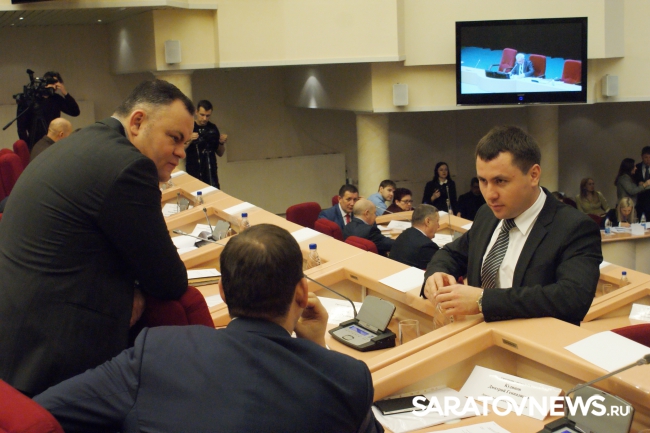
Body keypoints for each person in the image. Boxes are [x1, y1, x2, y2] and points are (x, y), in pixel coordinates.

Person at [34, 224, 383, 433]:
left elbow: (37, 416)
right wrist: (318, 349)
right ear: (302, 294)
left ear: (222, 292)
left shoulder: (155, 351)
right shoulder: (347, 378)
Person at [0, 80, 193, 397]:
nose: (181, 152)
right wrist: (133, 289)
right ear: (137, 122)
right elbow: (169, 281)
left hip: (15, 340)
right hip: (52, 366)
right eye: (175, 138)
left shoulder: (80, 141)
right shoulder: (129, 167)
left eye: (186, 142)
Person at [421, 125, 602, 326]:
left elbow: (573, 298)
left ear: (533, 175)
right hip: (479, 338)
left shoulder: (575, 227)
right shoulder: (486, 214)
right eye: (483, 181)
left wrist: (483, 301)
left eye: (500, 181)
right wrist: (435, 274)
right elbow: (452, 253)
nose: (490, 194)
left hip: (536, 341)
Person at [16, 71, 80, 151]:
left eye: (56, 83)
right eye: (52, 82)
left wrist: (65, 93)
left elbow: (75, 112)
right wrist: (26, 149)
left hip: (53, 142)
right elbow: (21, 128)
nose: (54, 86)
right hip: (34, 143)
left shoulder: (56, 98)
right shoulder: (30, 99)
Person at [185, 100, 227, 188]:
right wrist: (189, 139)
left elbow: (220, 153)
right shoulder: (189, 127)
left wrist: (221, 143)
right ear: (196, 112)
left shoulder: (213, 128)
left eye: (207, 116)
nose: (204, 118)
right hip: (194, 173)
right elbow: (180, 150)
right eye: (202, 115)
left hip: (211, 174)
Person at [390, 204, 440, 269]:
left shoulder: (404, 234)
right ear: (427, 221)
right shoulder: (427, 246)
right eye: (437, 221)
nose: (438, 226)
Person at [634, 146, 650, 220]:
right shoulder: (636, 168)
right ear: (642, 157)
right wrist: (639, 184)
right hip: (640, 200)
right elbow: (633, 182)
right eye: (646, 157)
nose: (648, 160)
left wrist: (644, 185)